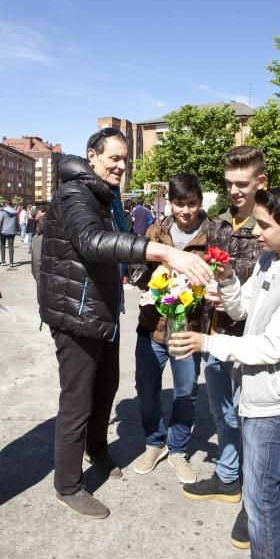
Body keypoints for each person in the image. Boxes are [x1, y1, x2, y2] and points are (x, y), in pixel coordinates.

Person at [39, 128, 212, 520]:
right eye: (113, 158)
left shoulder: (105, 196)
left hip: (101, 311)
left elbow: (118, 246)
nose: (120, 166)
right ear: (92, 156)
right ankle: (67, 484)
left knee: (107, 388)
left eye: (124, 160)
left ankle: (96, 448)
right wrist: (165, 251)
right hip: (76, 314)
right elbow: (93, 242)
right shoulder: (75, 194)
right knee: (77, 402)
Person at [170, 186, 280, 559]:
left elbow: (271, 347)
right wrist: (225, 280)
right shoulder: (271, 258)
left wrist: (207, 344)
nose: (255, 233)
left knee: (261, 497)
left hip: (277, 401)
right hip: (256, 390)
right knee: (260, 492)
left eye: (263, 225)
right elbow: (244, 310)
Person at [181, 146, 266, 550]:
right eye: (229, 183)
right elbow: (201, 270)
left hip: (251, 343)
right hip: (213, 333)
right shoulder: (216, 226)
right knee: (222, 411)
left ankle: (255, 501)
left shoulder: (270, 228)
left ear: (260, 183)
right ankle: (228, 477)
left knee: (253, 419)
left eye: (242, 184)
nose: (233, 191)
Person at [133, 172, 210, 483]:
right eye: (179, 204)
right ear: (171, 204)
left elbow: (220, 273)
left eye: (191, 204)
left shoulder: (211, 233)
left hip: (187, 331)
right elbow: (137, 264)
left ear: (200, 203)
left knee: (185, 393)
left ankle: (177, 449)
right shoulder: (156, 230)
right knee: (146, 390)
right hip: (151, 327)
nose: (185, 211)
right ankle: (154, 442)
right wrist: (144, 280)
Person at [0, 201, 19, 266]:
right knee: (11, 246)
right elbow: (17, 222)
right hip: (12, 231)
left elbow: (0, 222)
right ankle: (11, 262)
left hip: (3, 231)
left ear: (6, 204)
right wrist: (16, 229)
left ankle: (3, 261)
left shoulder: (3, 212)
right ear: (11, 204)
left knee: (2, 245)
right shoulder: (15, 212)